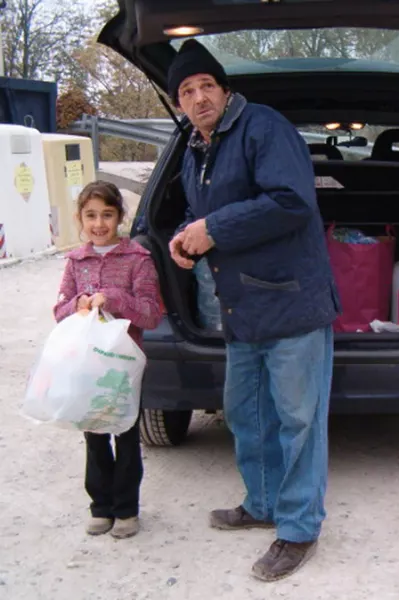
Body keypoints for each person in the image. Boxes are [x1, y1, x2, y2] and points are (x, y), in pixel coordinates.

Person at [167, 40, 340, 581]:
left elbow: (292, 200)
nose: (199, 98)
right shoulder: (196, 148)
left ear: (225, 89)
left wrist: (211, 230)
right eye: (187, 91)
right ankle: (262, 502)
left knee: (298, 420)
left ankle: (298, 527)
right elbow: (199, 214)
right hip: (241, 309)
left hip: (291, 303)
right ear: (179, 103)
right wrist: (184, 236)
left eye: (206, 86)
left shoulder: (264, 127)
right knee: (247, 414)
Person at [54, 181, 162, 539]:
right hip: (87, 365)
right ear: (80, 218)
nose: (98, 223)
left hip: (123, 367)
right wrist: (78, 304)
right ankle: (100, 506)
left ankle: (127, 509)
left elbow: (150, 314)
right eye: (90, 215)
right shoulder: (75, 261)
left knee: (127, 435)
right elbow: (59, 310)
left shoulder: (138, 260)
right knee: (94, 436)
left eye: (107, 215)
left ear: (119, 216)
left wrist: (113, 298)